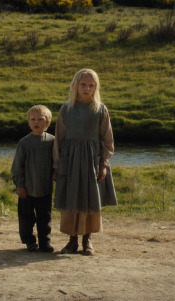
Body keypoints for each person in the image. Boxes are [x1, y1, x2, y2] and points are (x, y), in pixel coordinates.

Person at [53, 69, 117, 256]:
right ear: (76, 85)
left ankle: (87, 240)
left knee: (90, 199)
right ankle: (72, 241)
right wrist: (57, 165)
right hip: (70, 161)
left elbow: (107, 139)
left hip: (92, 161)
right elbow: (59, 138)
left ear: (96, 87)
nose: (87, 88)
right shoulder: (66, 109)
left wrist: (103, 164)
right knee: (71, 198)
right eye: (83, 85)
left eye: (91, 85)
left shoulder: (100, 109)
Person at [11, 105, 55, 253]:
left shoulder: (52, 141)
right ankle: (29, 241)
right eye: (33, 119)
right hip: (27, 189)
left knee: (45, 218)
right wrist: (20, 186)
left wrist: (56, 172)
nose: (36, 122)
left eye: (40, 119)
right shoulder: (25, 143)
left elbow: (57, 161)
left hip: (45, 189)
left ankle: (45, 242)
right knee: (26, 218)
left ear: (47, 123)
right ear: (29, 122)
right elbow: (17, 166)